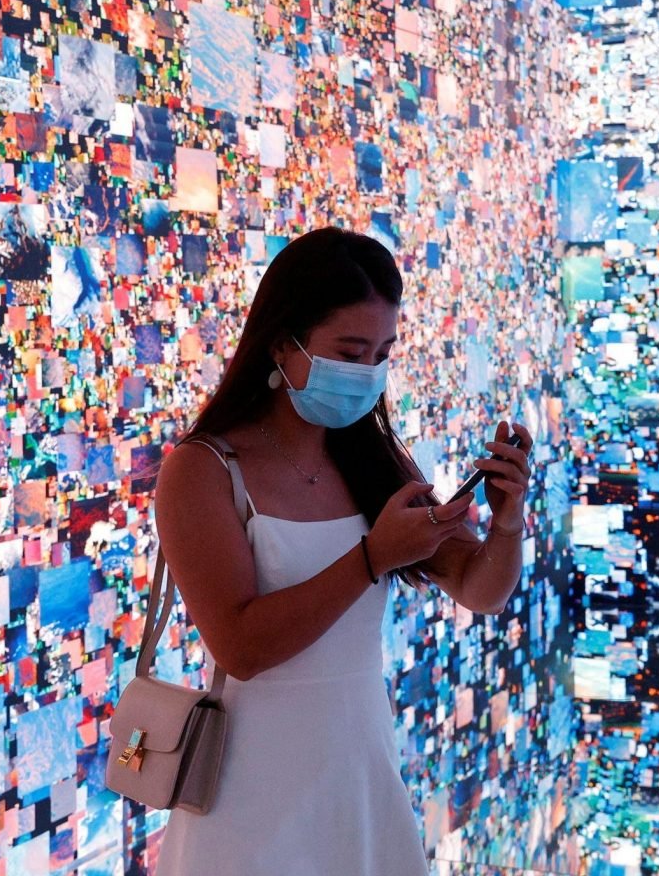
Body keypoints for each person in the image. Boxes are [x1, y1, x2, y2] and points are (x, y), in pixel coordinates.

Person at [151, 227, 533, 876]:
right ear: (281, 342)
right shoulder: (203, 469)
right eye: (349, 351)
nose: (367, 374)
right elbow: (239, 648)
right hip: (249, 794)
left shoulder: (375, 459)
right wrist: (370, 560)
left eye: (382, 353)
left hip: (361, 773)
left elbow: (479, 589)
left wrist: (507, 522)